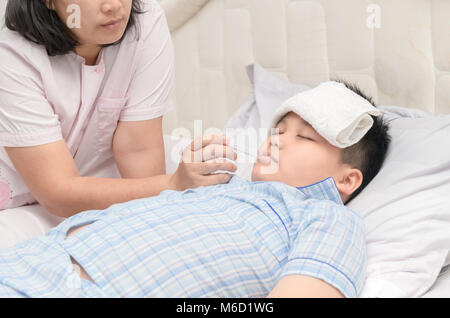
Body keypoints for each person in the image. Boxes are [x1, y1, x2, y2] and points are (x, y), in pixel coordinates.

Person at [0, 82, 391, 298]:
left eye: (304, 137)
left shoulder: (326, 219)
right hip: (24, 265)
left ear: (347, 180)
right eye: (277, 130)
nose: (277, 141)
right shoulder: (214, 186)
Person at [0, 0, 236, 216]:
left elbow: (138, 148)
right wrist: (172, 185)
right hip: (15, 201)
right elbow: (59, 192)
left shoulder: (146, 21)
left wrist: (165, 202)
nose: (114, 5)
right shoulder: (12, 58)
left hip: (98, 193)